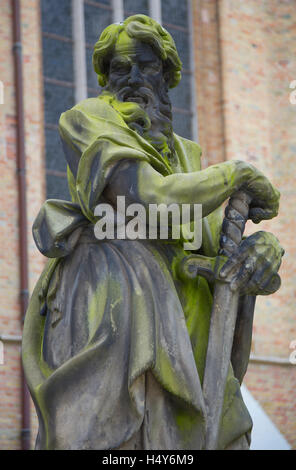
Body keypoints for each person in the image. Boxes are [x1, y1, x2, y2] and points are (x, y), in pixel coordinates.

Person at [22, 15, 284, 450]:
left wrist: (263, 248)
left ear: (166, 75)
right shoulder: (87, 118)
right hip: (117, 296)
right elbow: (143, 197)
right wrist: (234, 174)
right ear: (106, 78)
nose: (133, 79)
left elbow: (215, 241)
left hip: (186, 314)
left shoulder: (187, 155)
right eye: (120, 69)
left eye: (145, 66)